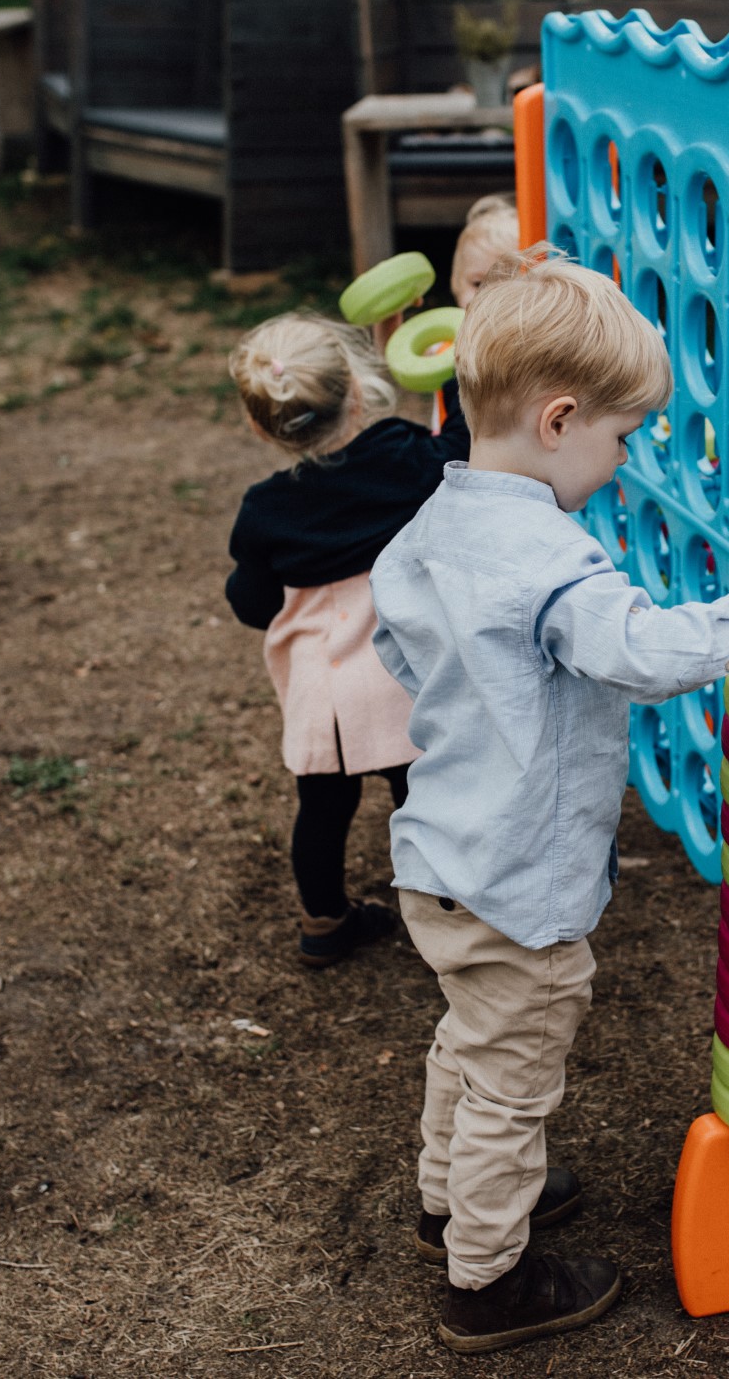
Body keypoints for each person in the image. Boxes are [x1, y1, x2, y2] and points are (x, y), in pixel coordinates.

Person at [371, 248, 729, 1353]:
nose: (625, 461)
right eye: (623, 437)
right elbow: (641, 651)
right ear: (560, 420)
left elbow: (394, 640)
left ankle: (447, 1201)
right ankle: (488, 1279)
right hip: (515, 885)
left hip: (441, 858)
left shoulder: (434, 522)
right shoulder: (548, 557)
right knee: (512, 1082)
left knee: (469, 1042)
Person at [224, 312, 470, 967]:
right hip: (404, 679)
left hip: (324, 690)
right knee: (423, 799)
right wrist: (454, 368)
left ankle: (325, 923)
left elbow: (252, 605)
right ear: (357, 392)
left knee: (324, 808)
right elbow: (460, 443)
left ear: (261, 426)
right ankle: (447, 917)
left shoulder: (266, 510)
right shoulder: (403, 459)